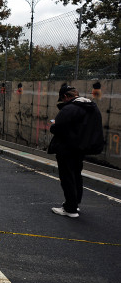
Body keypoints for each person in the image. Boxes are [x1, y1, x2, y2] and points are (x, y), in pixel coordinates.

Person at [48, 84, 104, 218]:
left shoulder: (69, 109)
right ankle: (74, 203)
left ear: (66, 96)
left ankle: (70, 208)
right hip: (81, 148)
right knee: (76, 175)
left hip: (67, 147)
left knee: (67, 177)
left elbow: (57, 128)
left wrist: (54, 125)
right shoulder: (92, 107)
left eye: (62, 99)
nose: (63, 102)